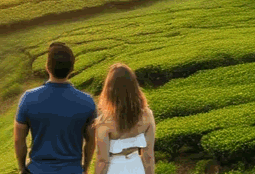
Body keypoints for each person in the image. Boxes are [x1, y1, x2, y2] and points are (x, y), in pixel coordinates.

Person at [14, 42, 97, 174]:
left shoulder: (28, 98)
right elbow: (91, 141)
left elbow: (19, 139)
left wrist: (22, 168)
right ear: (72, 69)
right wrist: (85, 168)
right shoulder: (87, 102)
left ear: (47, 67)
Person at [94, 63, 156, 174]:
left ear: (109, 90)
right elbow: (148, 156)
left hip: (114, 169)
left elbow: (102, 160)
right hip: (137, 168)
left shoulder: (104, 121)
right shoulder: (147, 115)